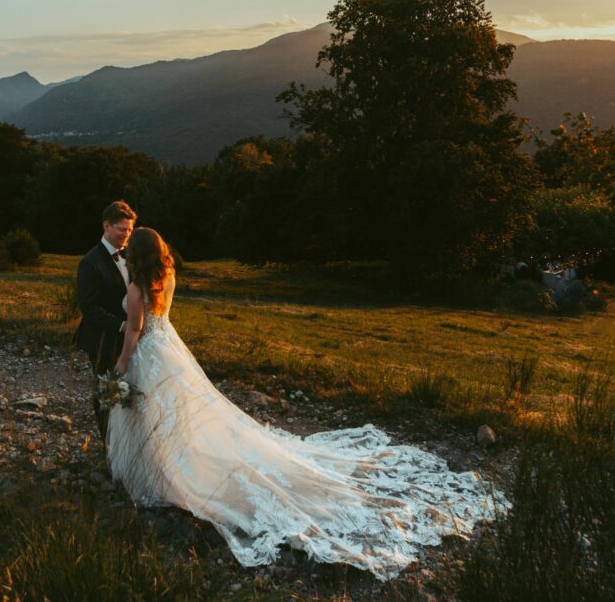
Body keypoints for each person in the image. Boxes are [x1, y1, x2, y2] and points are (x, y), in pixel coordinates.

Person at [107, 227, 505, 581]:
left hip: (150, 353)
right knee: (180, 413)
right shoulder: (168, 276)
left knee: (155, 412)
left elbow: (137, 329)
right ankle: (168, 466)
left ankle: (159, 474)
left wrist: (124, 360)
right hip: (170, 349)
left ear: (136, 256)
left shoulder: (136, 288)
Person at [74, 200, 136, 436]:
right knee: (108, 393)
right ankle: (108, 444)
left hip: (127, 339)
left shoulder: (130, 255)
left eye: (130, 230)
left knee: (127, 392)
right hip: (102, 340)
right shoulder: (90, 262)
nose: (127, 235)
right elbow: (88, 307)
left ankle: (124, 440)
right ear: (106, 226)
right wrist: (122, 326)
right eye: (122, 229)